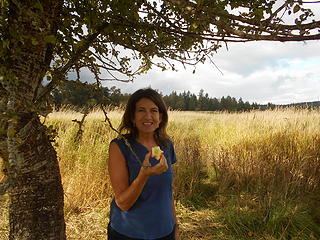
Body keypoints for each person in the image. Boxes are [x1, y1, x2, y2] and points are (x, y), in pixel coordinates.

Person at [107, 88, 180, 240]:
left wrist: (175, 226)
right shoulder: (120, 146)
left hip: (165, 231)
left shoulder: (166, 146)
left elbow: (167, 192)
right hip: (129, 233)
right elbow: (123, 203)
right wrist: (144, 175)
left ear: (161, 117)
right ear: (132, 117)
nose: (148, 116)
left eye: (154, 110)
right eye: (141, 110)